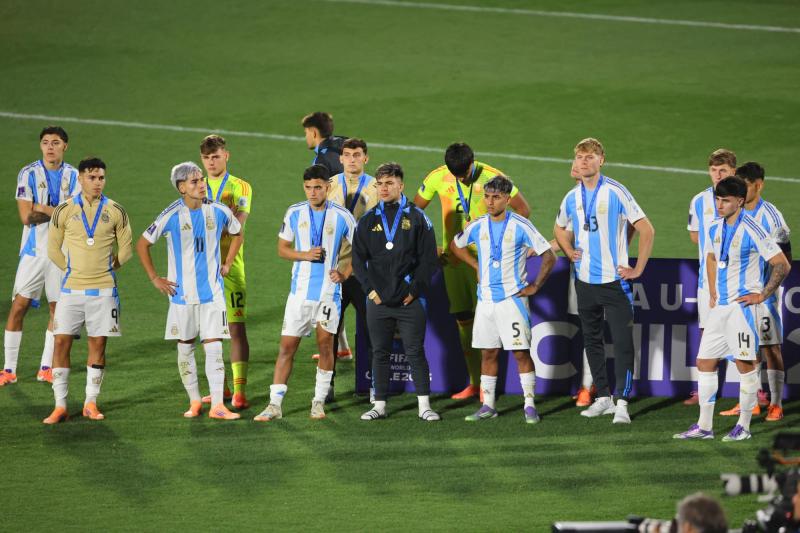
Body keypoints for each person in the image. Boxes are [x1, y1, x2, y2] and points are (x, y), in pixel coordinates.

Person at [674, 176, 790, 441]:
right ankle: (704, 427)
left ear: (739, 201)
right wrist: (713, 290)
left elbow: (781, 263)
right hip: (720, 307)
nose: (719, 204)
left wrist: (762, 295)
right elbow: (712, 257)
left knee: (746, 365)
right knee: (704, 362)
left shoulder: (753, 229)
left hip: (743, 310)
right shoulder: (714, 228)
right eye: (717, 199)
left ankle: (744, 427)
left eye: (725, 200)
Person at [414, 142, 531, 401]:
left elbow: (523, 210)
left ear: (472, 162)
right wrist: (428, 247)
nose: (460, 179)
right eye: (456, 175)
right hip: (455, 260)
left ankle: (501, 386)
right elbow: (413, 213)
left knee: (494, 322)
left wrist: (507, 248)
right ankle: (476, 384)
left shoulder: (493, 177)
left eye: (464, 174)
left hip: (490, 263)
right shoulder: (437, 177)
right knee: (465, 320)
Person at [553, 138, 655, 424]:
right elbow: (559, 228)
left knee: (622, 343)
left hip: (614, 282)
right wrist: (568, 250)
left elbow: (647, 230)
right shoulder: (571, 197)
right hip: (584, 281)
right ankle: (602, 398)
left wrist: (637, 269)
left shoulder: (616, 192)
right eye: (580, 157)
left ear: (601, 160)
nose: (584, 162)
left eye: (590, 157)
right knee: (592, 341)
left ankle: (622, 403)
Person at [137, 162, 243, 421]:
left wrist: (228, 262)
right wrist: (155, 278)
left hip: (212, 295)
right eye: (194, 181)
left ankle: (218, 405)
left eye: (201, 180)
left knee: (214, 348)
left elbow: (238, 233)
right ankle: (195, 400)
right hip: (181, 296)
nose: (201, 184)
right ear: (181, 187)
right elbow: (142, 244)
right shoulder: (171, 215)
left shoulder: (218, 211)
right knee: (185, 348)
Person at [253, 164, 356, 422]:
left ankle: (318, 402)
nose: (313, 192)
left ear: (327, 187)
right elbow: (282, 248)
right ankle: (274, 405)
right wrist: (304, 255)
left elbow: (360, 251)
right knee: (287, 347)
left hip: (328, 294)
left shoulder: (343, 216)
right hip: (299, 294)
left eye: (318, 187)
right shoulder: (294, 212)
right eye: (308, 187)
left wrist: (344, 273)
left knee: (325, 346)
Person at [450, 175, 556, 423]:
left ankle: (529, 405)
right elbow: (456, 245)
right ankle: (488, 405)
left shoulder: (521, 225)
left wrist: (535, 286)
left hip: (512, 301)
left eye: (496, 197)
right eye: (487, 196)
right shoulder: (478, 226)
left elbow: (549, 255)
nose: (489, 202)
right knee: (488, 353)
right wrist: (474, 263)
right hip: (485, 301)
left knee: (520, 353)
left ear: (508, 199)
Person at [43, 157, 132, 423]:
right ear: (80, 179)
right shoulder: (64, 210)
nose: (97, 182)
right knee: (61, 342)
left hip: (104, 290)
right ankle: (60, 405)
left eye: (101, 178)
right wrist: (72, 269)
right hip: (70, 290)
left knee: (98, 344)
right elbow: (52, 248)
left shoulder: (116, 210)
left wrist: (108, 268)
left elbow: (126, 249)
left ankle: (90, 403)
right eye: (92, 178)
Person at [353, 162, 440, 421]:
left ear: (401, 186)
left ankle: (424, 405)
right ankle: (379, 405)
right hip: (378, 300)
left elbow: (428, 260)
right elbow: (358, 260)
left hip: (409, 300)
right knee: (379, 351)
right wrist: (370, 291)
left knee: (414, 351)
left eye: (389, 183)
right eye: (380, 184)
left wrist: (415, 291)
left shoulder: (417, 217)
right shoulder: (368, 220)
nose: (384, 188)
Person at [2, 126, 80, 387]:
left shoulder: (75, 176)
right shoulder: (28, 173)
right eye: (45, 142)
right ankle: (8, 369)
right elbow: (26, 217)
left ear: (64, 146)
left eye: (55, 142)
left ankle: (46, 367)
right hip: (34, 252)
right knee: (19, 306)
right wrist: (59, 209)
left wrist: (41, 206)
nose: (50, 147)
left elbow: (75, 216)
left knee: (56, 309)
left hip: (62, 254)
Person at [723, 162, 790, 422]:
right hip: (739, 296)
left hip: (764, 296)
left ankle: (776, 403)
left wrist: (766, 292)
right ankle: (750, 403)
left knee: (771, 347)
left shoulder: (772, 218)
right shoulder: (733, 213)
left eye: (745, 185)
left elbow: (786, 260)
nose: (739, 189)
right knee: (746, 349)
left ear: (758, 185)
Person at [321, 138, 378, 401]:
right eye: (347, 154)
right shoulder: (328, 186)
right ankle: (327, 385)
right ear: (341, 158)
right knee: (328, 330)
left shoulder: (378, 188)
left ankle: (370, 383)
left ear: (366, 158)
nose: (352, 159)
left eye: (357, 155)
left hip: (367, 272)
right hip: (335, 272)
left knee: (371, 330)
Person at [198, 135, 253, 409]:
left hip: (230, 269)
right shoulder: (195, 186)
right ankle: (224, 389)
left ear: (226, 156)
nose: (211, 161)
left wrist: (229, 262)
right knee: (210, 332)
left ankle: (240, 391)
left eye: (216, 156)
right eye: (207, 157)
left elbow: (237, 229)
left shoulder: (241, 187)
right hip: (202, 270)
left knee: (235, 327)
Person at [684, 148, 738, 407]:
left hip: (739, 282)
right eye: (714, 170)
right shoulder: (698, 201)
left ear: (733, 172)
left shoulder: (741, 200)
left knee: (742, 334)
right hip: (708, 281)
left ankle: (754, 390)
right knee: (708, 333)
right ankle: (705, 391)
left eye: (723, 171)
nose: (717, 175)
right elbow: (695, 235)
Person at [302, 111, 345, 176]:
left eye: (306, 133)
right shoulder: (344, 145)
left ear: (314, 133)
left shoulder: (320, 161)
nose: (306, 137)